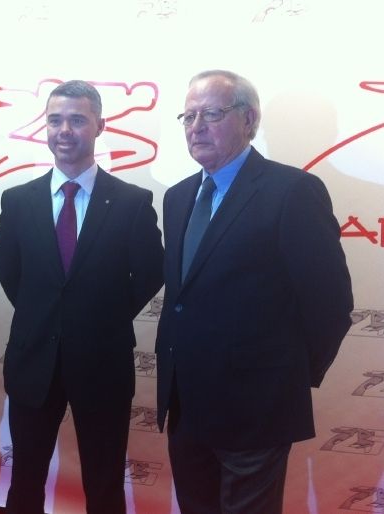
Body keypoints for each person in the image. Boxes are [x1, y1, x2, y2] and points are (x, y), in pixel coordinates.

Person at [155, 69, 353, 514]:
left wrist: (283, 379)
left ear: (249, 119)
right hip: (186, 407)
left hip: (256, 412)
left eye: (211, 113)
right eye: (188, 117)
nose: (196, 127)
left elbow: (331, 305)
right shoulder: (179, 197)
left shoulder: (293, 192)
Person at [0, 80, 164, 514]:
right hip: (34, 362)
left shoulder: (131, 202)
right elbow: (12, 275)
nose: (64, 130)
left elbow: (150, 272)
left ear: (100, 126)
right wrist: (49, 316)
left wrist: (101, 315)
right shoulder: (17, 202)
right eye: (55, 120)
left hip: (103, 363)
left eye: (77, 120)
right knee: (25, 481)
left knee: (104, 485)